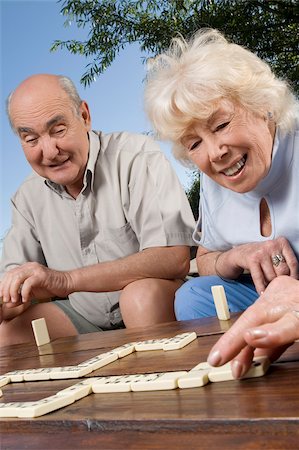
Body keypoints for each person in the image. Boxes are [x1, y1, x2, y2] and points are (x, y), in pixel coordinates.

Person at [0, 73, 196, 347]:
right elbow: (15, 289)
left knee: (138, 298)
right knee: (9, 333)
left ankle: (165, 386)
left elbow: (174, 257)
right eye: (30, 139)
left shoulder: (137, 155)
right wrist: (7, 299)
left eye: (58, 130)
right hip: (82, 318)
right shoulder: (25, 198)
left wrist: (66, 281)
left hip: (153, 304)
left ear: (84, 116)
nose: (49, 151)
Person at [144, 28, 299, 371]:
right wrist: (237, 255)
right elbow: (206, 258)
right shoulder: (215, 180)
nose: (215, 153)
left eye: (222, 124)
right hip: (265, 296)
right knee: (192, 297)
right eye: (194, 143)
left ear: (263, 106)